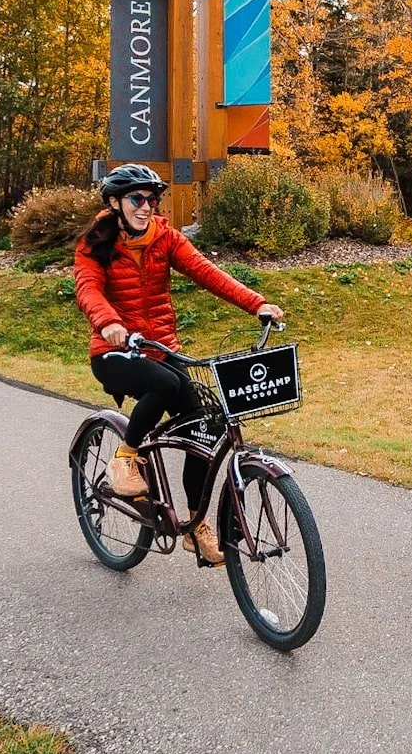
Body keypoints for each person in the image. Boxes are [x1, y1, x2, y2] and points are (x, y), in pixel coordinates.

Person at [73, 164, 284, 565]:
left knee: (204, 426)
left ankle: (195, 523)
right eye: (137, 199)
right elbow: (88, 291)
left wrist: (256, 303)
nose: (146, 206)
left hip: (162, 347)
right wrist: (110, 323)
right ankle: (126, 457)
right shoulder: (94, 245)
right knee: (163, 387)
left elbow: (207, 272)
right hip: (114, 351)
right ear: (115, 203)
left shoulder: (164, 238)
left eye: (152, 199)